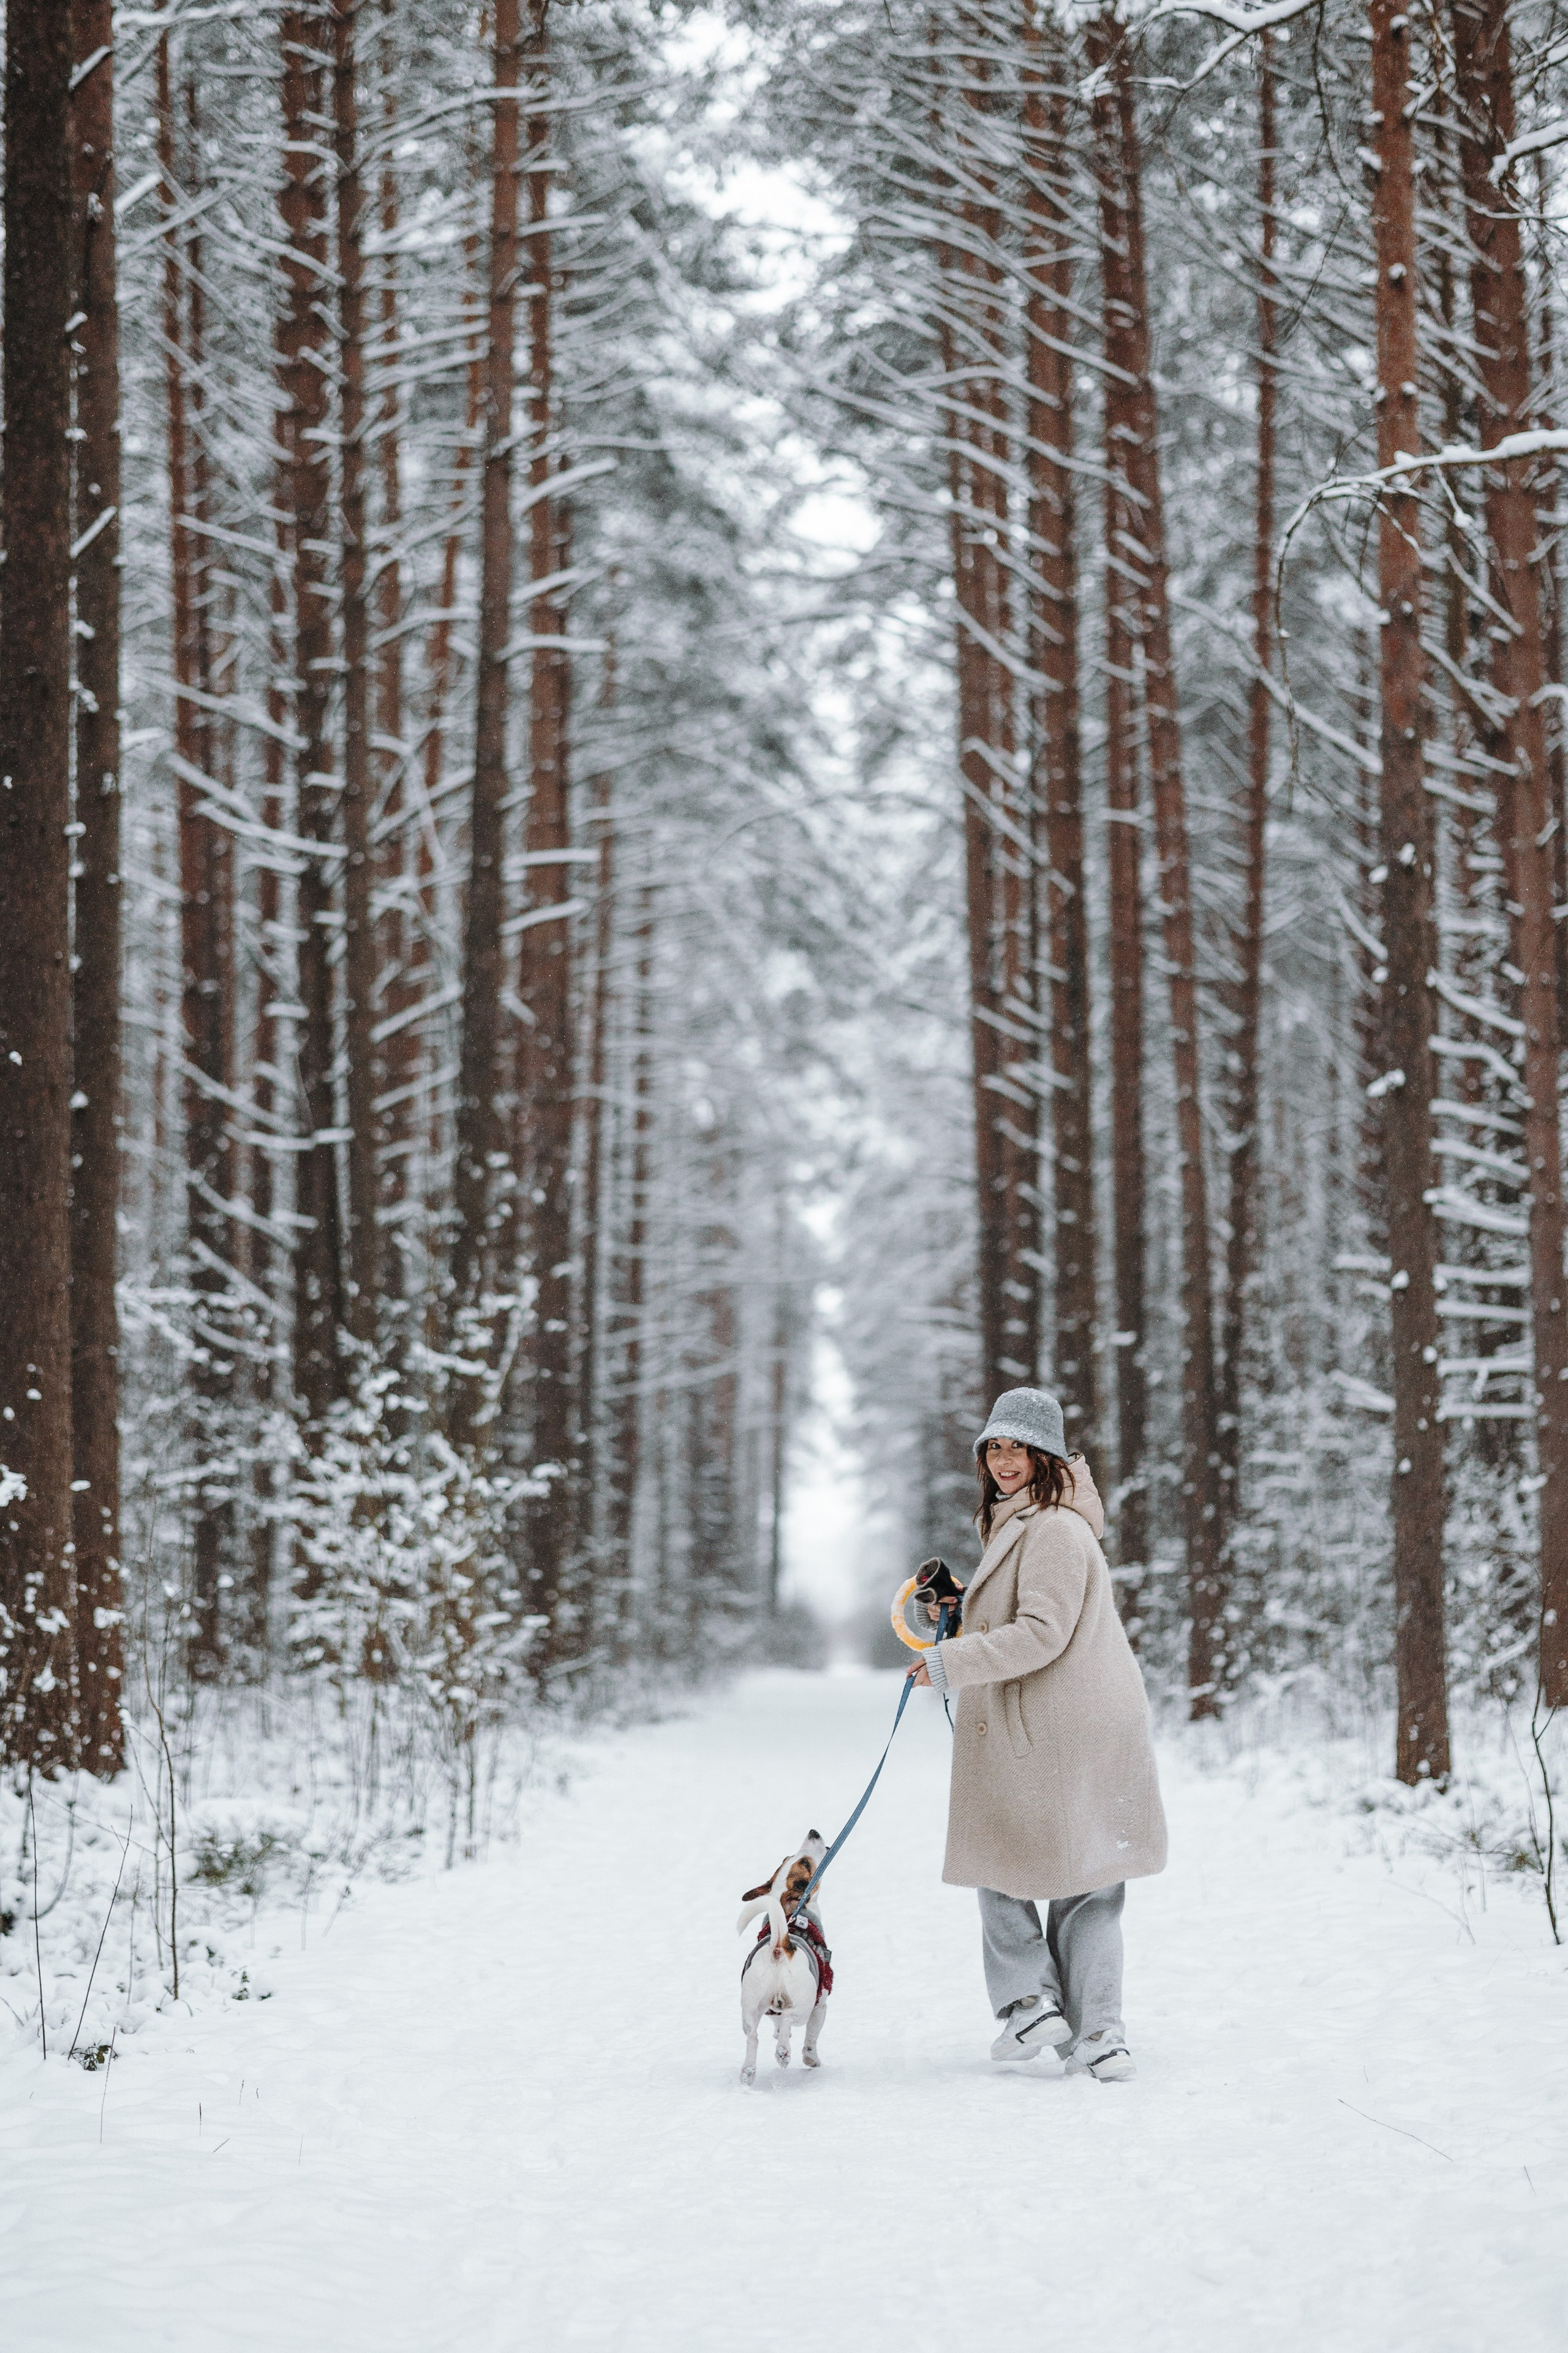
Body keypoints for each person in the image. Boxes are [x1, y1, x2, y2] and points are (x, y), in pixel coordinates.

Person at [908, 1386, 1167, 2080]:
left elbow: (1042, 1633)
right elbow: (1024, 1614)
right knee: (1089, 1879)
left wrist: (947, 1659)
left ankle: (1029, 2004)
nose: (1003, 1460)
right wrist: (961, 1610)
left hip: (1056, 1722)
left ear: (1046, 1452)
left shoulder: (1052, 1526)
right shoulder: (1034, 1522)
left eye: (1017, 1446)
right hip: (1077, 1720)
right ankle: (1100, 2036)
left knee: (1002, 1860)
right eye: (993, 1446)